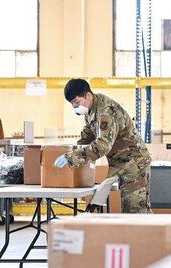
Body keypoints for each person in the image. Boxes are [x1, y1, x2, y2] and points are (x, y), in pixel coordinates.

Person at [55, 79, 152, 213]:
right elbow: (87, 137)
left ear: (88, 95)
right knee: (103, 201)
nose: (75, 107)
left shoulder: (106, 112)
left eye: (76, 103)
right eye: (72, 104)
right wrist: (71, 150)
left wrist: (72, 157)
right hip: (117, 161)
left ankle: (151, 232)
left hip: (134, 162)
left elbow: (102, 145)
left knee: (135, 211)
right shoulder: (90, 110)